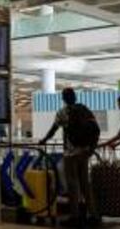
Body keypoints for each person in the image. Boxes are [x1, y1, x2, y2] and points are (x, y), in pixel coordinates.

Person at [39, 88, 99, 227]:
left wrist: (44, 140)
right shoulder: (85, 109)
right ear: (75, 97)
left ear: (64, 99)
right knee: (85, 184)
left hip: (71, 154)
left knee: (73, 185)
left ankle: (75, 216)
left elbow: (53, 130)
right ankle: (93, 214)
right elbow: (95, 128)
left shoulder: (62, 112)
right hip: (84, 152)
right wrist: (92, 148)